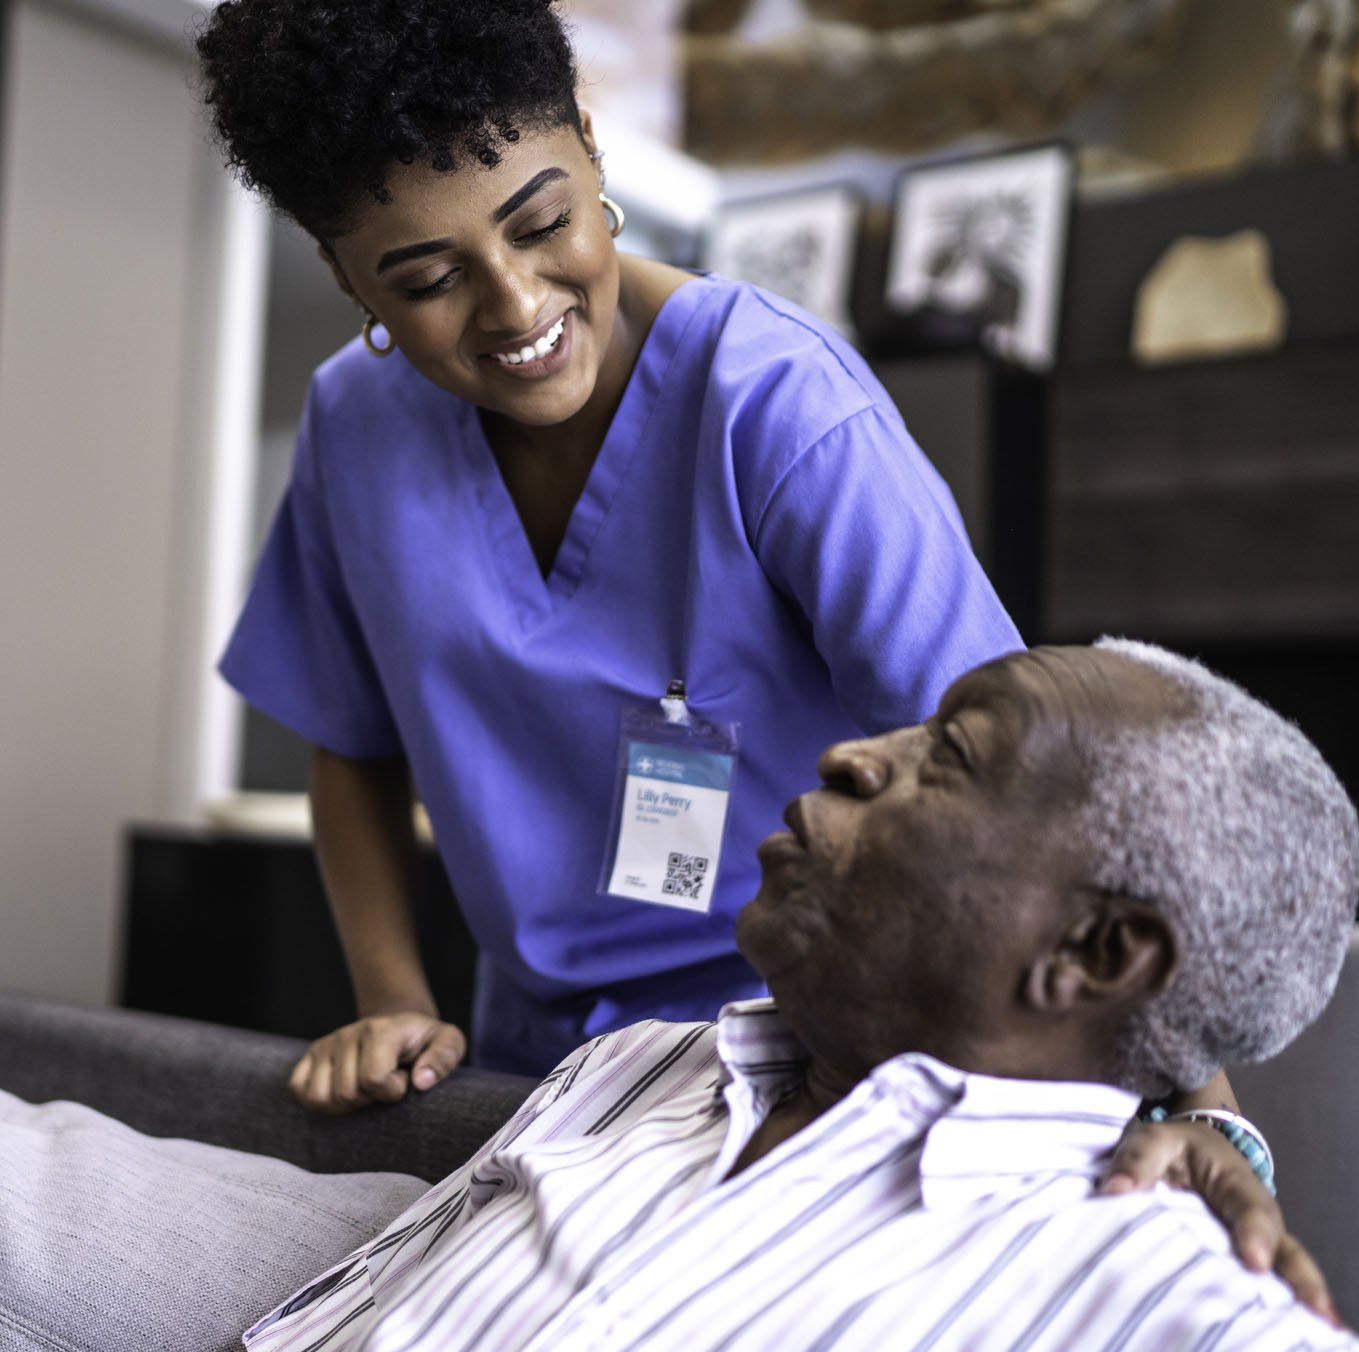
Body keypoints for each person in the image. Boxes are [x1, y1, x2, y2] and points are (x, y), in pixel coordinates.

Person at [1, 644, 1359, 1352]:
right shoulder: (643, 1070)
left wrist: (1212, 1125)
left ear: (1096, 952)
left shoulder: (1212, 1345)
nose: (852, 752)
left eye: (951, 757)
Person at [195, 0, 1026, 1097]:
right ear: (348, 278)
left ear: (589, 140)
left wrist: (1193, 1108)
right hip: (532, 1073)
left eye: (540, 224)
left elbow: (1009, 780)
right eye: (430, 280)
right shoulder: (356, 424)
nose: (516, 303)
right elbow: (351, 742)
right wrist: (393, 998)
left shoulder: (780, 407)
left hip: (805, 1052)